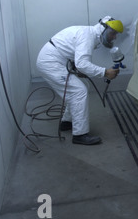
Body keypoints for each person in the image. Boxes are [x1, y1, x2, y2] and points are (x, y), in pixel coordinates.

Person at [36, 16, 124, 145]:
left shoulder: (89, 35)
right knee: (78, 91)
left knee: (82, 86)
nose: (114, 37)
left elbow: (73, 55)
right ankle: (80, 134)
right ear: (103, 30)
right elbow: (82, 63)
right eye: (113, 33)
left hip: (56, 61)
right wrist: (105, 72)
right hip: (51, 63)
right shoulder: (87, 37)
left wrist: (77, 69)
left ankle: (67, 122)